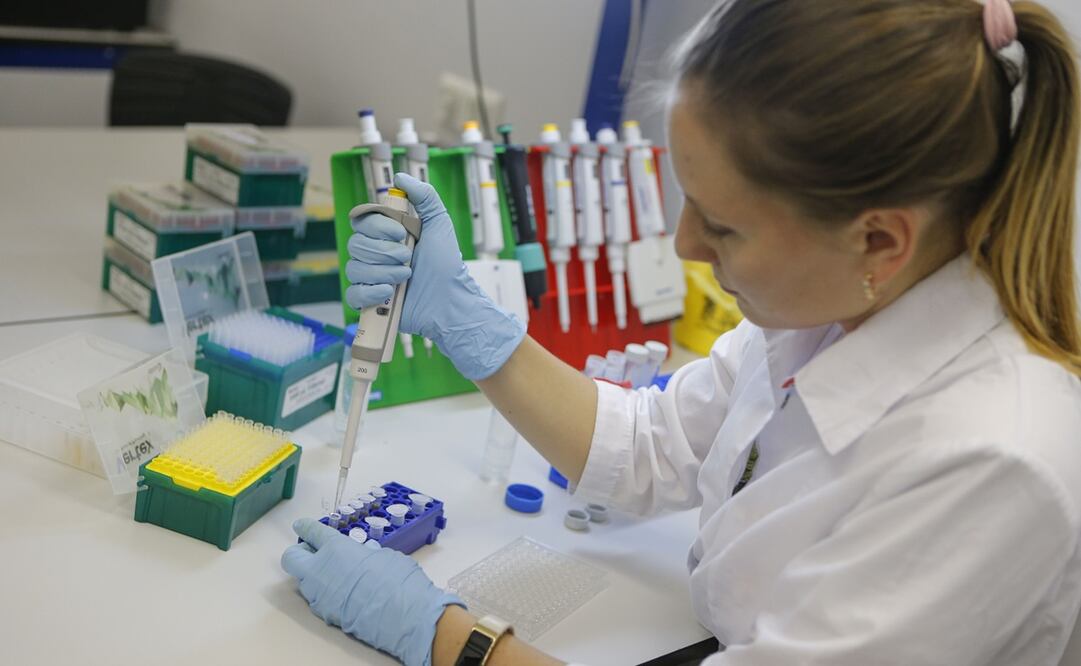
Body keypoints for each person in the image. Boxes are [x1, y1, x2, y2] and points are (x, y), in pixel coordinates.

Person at [281, 0, 1081, 663]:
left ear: (877, 239)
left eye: (724, 227)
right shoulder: (832, 310)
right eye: (685, 197)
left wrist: (448, 638)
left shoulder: (988, 462)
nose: (682, 246)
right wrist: (467, 322)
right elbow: (652, 442)